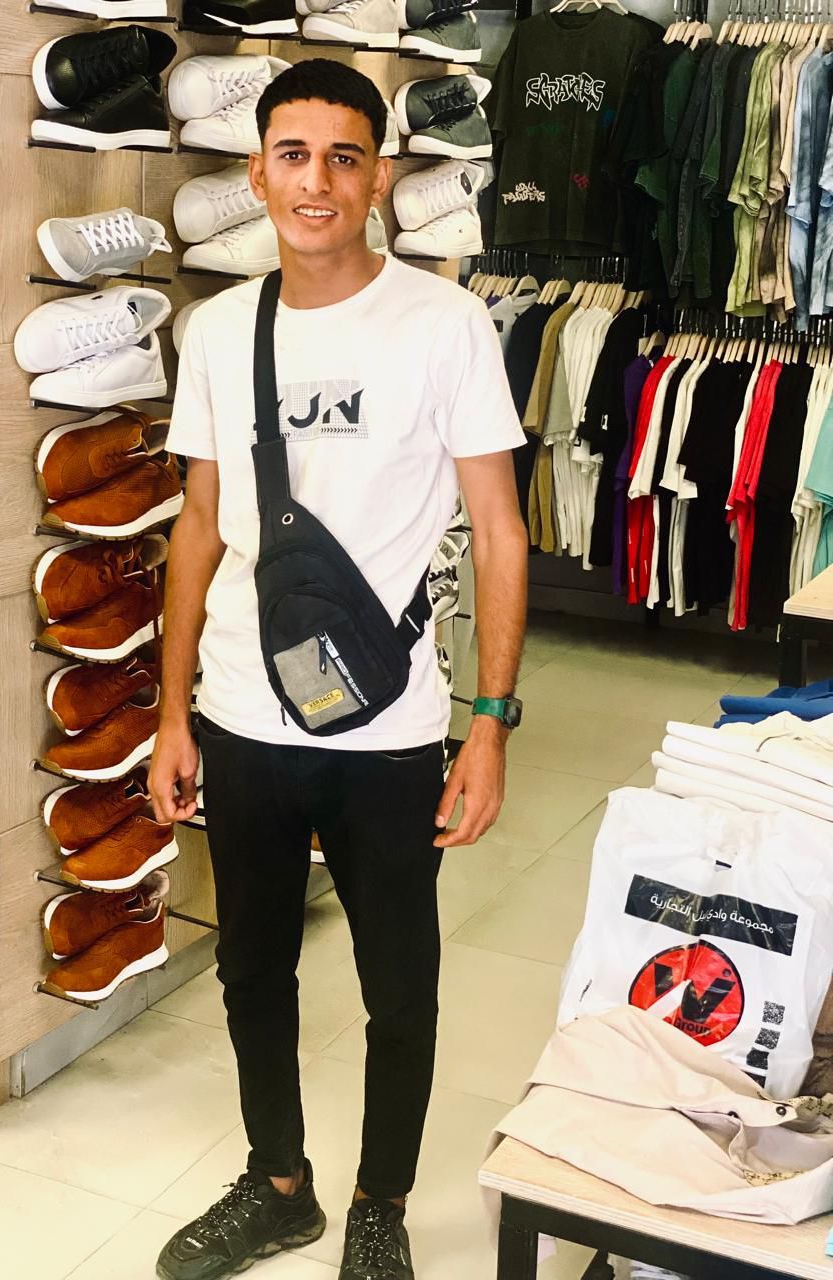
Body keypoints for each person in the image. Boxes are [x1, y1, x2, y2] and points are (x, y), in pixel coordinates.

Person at [150, 58, 528, 1280]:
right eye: (294, 155)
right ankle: (278, 1183)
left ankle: (380, 1200)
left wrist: (489, 722)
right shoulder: (218, 330)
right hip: (240, 711)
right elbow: (199, 525)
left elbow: (500, 529)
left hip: (390, 722)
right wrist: (170, 713)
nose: (317, 180)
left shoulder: (444, 323)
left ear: (377, 178)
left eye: (344, 157)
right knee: (251, 965)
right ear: (257, 173)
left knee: (398, 983)